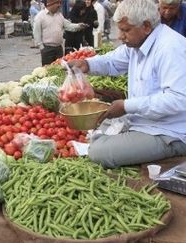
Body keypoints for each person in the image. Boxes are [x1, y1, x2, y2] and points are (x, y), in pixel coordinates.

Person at [69, 0, 186, 168]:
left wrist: (127, 106)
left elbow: (178, 99)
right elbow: (112, 61)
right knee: (99, 127)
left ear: (146, 26)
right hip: (142, 121)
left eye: (125, 30)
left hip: (168, 131)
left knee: (99, 152)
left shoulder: (170, 48)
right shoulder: (137, 44)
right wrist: (87, 64)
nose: (120, 36)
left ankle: (174, 150)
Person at [33, 0, 87, 65]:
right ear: (50, 4)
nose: (59, 5)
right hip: (47, 49)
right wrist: (42, 48)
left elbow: (68, 25)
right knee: (47, 70)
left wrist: (79, 26)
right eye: (57, 3)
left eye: (59, 3)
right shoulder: (40, 16)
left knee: (59, 69)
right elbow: (36, 33)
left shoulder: (59, 15)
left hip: (59, 49)